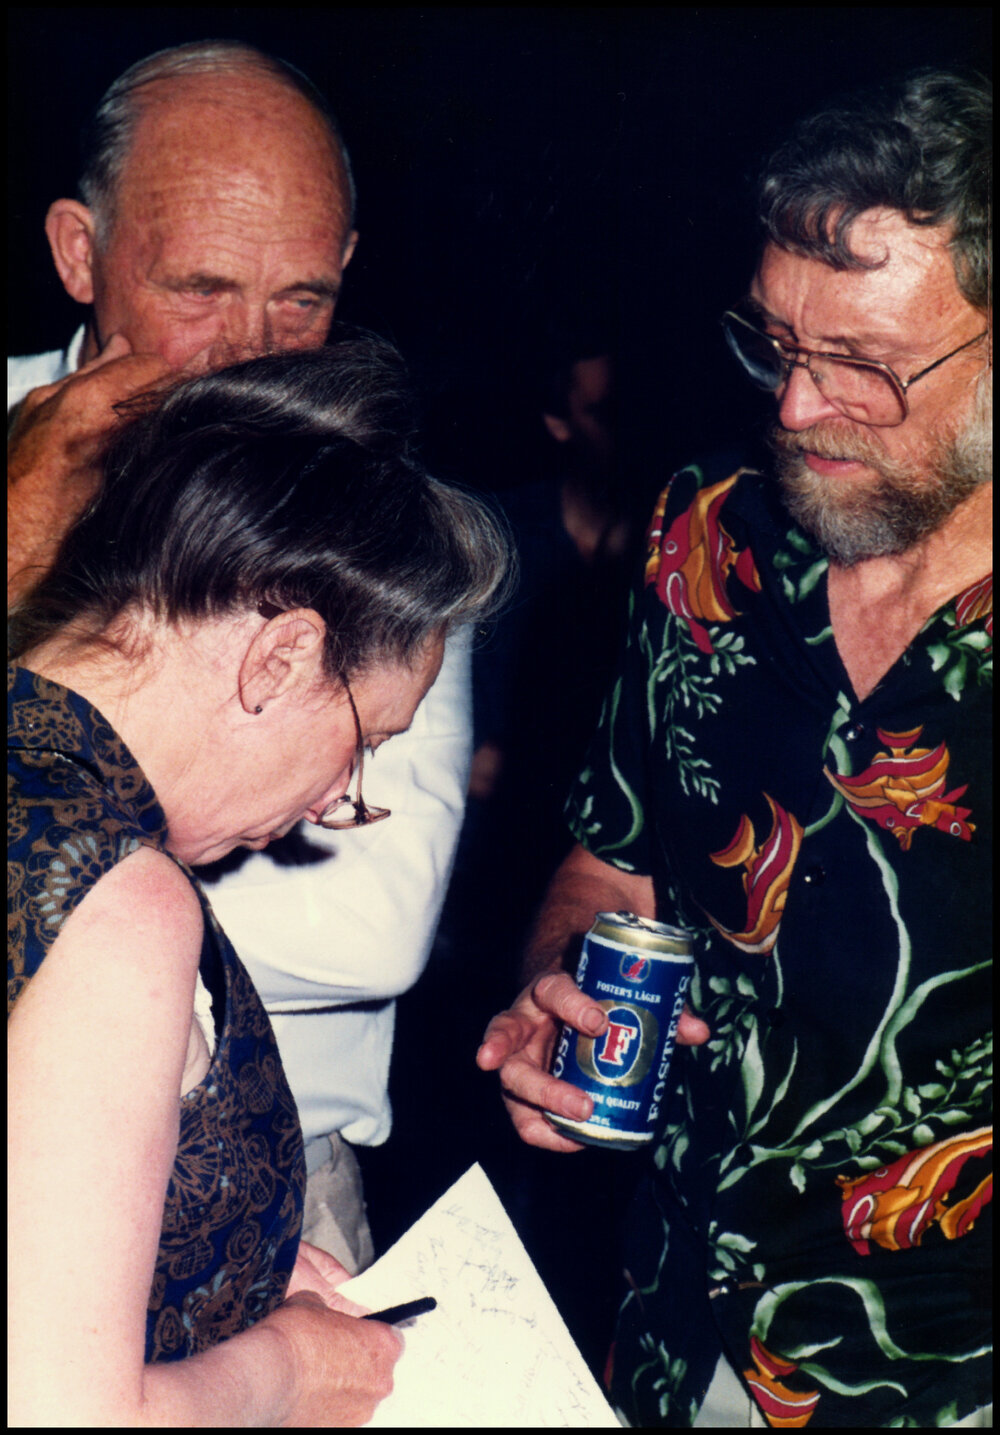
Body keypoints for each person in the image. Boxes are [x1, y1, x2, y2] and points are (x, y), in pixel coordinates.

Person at [477, 69, 992, 1427]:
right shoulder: (713, 525)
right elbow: (613, 865)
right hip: (667, 1319)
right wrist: (553, 988)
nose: (799, 407)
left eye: (868, 368)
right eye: (774, 344)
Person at [7, 39, 474, 1273]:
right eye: (201, 288)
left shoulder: (385, 523)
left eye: (304, 302)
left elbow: (374, 921)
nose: (254, 356)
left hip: (275, 1176)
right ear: (79, 251)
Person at [8, 339, 511, 1425]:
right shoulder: (119, 907)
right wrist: (288, 1371)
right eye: (363, 738)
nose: (341, 802)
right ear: (280, 658)